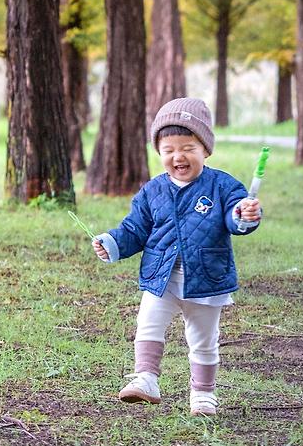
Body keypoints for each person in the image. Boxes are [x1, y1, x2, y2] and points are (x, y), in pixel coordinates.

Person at [92, 96, 262, 417]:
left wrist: (244, 214)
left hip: (206, 280)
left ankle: (203, 394)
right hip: (162, 277)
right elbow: (135, 228)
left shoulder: (223, 186)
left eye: (187, 148)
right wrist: (112, 243)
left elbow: (235, 218)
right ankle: (146, 378)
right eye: (168, 150)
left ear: (205, 150)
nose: (178, 156)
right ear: (159, 153)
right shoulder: (152, 191)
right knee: (148, 324)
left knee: (202, 339)